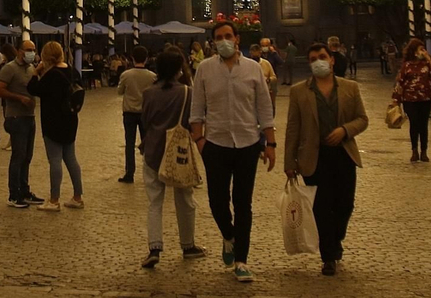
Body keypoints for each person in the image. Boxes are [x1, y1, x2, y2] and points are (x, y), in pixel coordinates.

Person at [190, 19, 276, 284]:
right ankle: (229, 236)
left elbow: (264, 108)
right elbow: (197, 107)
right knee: (217, 201)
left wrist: (270, 143)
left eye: (228, 35)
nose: (224, 40)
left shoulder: (253, 69)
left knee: (243, 203)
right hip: (215, 144)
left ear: (237, 39)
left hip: (247, 143)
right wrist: (199, 140)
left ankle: (241, 260)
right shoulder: (204, 69)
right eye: (219, 37)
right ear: (214, 42)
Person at [285, 42, 367, 277]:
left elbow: (362, 118)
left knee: (344, 205)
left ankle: (336, 238)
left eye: (322, 57)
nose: (318, 61)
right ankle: (328, 256)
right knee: (321, 208)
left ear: (332, 59)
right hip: (314, 157)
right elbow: (293, 128)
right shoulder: (299, 91)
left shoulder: (350, 88)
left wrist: (345, 130)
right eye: (312, 59)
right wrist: (290, 162)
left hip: (343, 154)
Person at [139, 49, 206, 269]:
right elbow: (192, 120)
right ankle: (188, 245)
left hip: (153, 150)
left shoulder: (149, 93)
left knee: (154, 202)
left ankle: (154, 247)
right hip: (178, 153)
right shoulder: (187, 92)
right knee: (185, 200)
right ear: (179, 69)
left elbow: (145, 121)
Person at [28, 41, 84, 211]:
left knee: (55, 160)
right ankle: (77, 196)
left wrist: (35, 73)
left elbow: (33, 89)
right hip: (71, 119)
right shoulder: (73, 71)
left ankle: (54, 200)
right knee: (71, 159)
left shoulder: (51, 75)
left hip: (52, 121)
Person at [0, 39, 42, 208]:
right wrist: (19, 98)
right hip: (16, 117)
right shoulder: (9, 68)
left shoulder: (30, 69)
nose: (32, 53)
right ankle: (14, 194)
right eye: (28, 49)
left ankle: (24, 190)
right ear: (19, 51)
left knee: (27, 157)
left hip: (29, 117)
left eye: (34, 50)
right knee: (18, 156)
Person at [393, 38, 431, 162]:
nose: (423, 51)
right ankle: (414, 150)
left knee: (423, 125)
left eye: (423, 49)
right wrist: (396, 99)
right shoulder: (407, 65)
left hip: (425, 98)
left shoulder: (427, 64)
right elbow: (400, 82)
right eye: (420, 49)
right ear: (414, 51)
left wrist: (428, 58)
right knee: (414, 124)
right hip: (410, 99)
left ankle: (424, 151)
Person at [118, 45, 156, 184]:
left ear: (132, 58)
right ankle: (149, 172)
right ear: (146, 58)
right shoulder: (152, 76)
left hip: (129, 112)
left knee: (129, 143)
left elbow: (119, 91)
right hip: (145, 113)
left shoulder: (126, 75)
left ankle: (130, 172)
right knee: (147, 143)